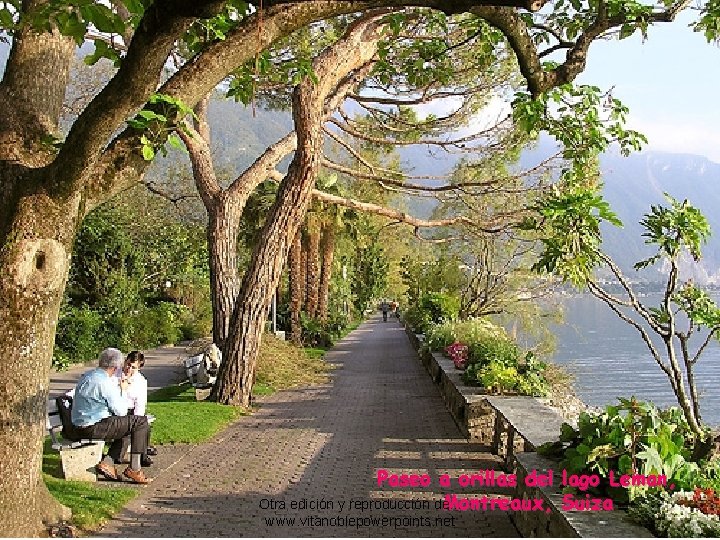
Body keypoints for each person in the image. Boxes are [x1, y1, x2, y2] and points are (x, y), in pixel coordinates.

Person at [70, 347, 151, 484]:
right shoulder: (105, 382)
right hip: (92, 426)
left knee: (129, 424)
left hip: (78, 424)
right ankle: (134, 469)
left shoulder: (88, 375)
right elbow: (120, 411)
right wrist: (123, 391)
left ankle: (108, 462)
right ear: (116, 366)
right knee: (140, 422)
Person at [116, 351, 156, 467]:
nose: (129, 369)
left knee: (144, 425)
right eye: (128, 365)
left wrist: (138, 419)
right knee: (132, 428)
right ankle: (121, 457)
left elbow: (140, 403)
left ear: (139, 368)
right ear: (125, 362)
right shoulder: (115, 375)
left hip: (131, 410)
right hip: (117, 409)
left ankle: (141, 456)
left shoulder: (140, 381)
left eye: (133, 367)